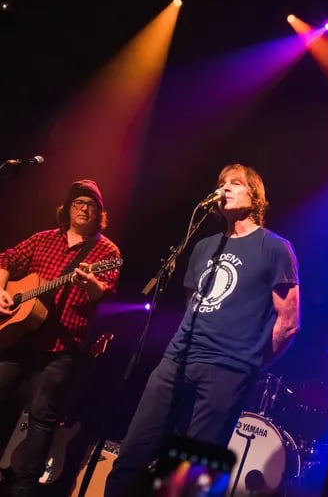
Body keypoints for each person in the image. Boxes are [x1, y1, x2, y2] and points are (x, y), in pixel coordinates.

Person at [103, 163, 300, 497]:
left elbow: (289, 322)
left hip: (227, 369)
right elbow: (194, 303)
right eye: (221, 183)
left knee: (188, 478)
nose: (224, 189)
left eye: (234, 184)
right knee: (132, 454)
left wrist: (249, 362)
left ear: (255, 197)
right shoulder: (204, 246)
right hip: (176, 361)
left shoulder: (275, 248)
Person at [0, 179, 121, 497]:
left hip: (59, 350)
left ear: (99, 214)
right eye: (78, 203)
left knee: (42, 420)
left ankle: (24, 489)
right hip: (19, 341)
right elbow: (6, 260)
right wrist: (2, 290)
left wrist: (89, 284)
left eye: (91, 205)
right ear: (67, 209)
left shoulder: (107, 252)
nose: (84, 209)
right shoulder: (43, 239)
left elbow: (103, 292)